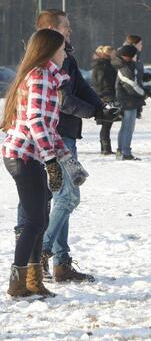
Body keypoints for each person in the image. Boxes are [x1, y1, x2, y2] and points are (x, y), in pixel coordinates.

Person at [27, 9, 112, 283]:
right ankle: (42, 253)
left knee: (63, 199)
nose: (70, 31)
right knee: (65, 197)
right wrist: (94, 112)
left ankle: (61, 262)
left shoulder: (67, 59)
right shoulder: (48, 62)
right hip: (54, 138)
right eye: (66, 27)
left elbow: (82, 90)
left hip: (65, 137)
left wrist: (101, 107)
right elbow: (63, 101)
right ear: (52, 29)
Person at [2, 29, 70, 297]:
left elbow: (49, 127)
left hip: (30, 155)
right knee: (34, 220)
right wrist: (51, 160)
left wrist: (64, 156)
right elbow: (36, 121)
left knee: (39, 219)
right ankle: (18, 281)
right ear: (50, 50)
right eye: (62, 49)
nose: (65, 53)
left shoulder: (48, 77)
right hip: (22, 155)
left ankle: (33, 279)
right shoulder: (41, 75)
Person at [114, 45, 146, 161]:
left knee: (125, 126)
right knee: (128, 127)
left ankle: (120, 151)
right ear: (128, 56)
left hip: (129, 100)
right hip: (128, 101)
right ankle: (125, 152)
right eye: (134, 55)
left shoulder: (126, 66)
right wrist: (143, 93)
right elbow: (132, 85)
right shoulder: (125, 68)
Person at [92, 45, 118, 155]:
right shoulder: (103, 66)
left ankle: (106, 148)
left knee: (107, 123)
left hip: (104, 96)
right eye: (113, 53)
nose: (115, 55)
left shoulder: (103, 65)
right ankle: (106, 149)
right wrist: (107, 93)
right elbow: (102, 82)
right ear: (108, 54)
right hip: (106, 97)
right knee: (106, 123)